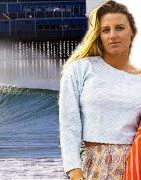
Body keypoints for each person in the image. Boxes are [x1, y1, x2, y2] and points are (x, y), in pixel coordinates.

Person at [59, 1, 140, 179]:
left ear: (132, 31)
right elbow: (69, 124)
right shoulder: (80, 69)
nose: (113, 35)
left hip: (133, 166)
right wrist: (74, 170)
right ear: (98, 35)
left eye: (119, 28)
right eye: (105, 30)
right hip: (93, 165)